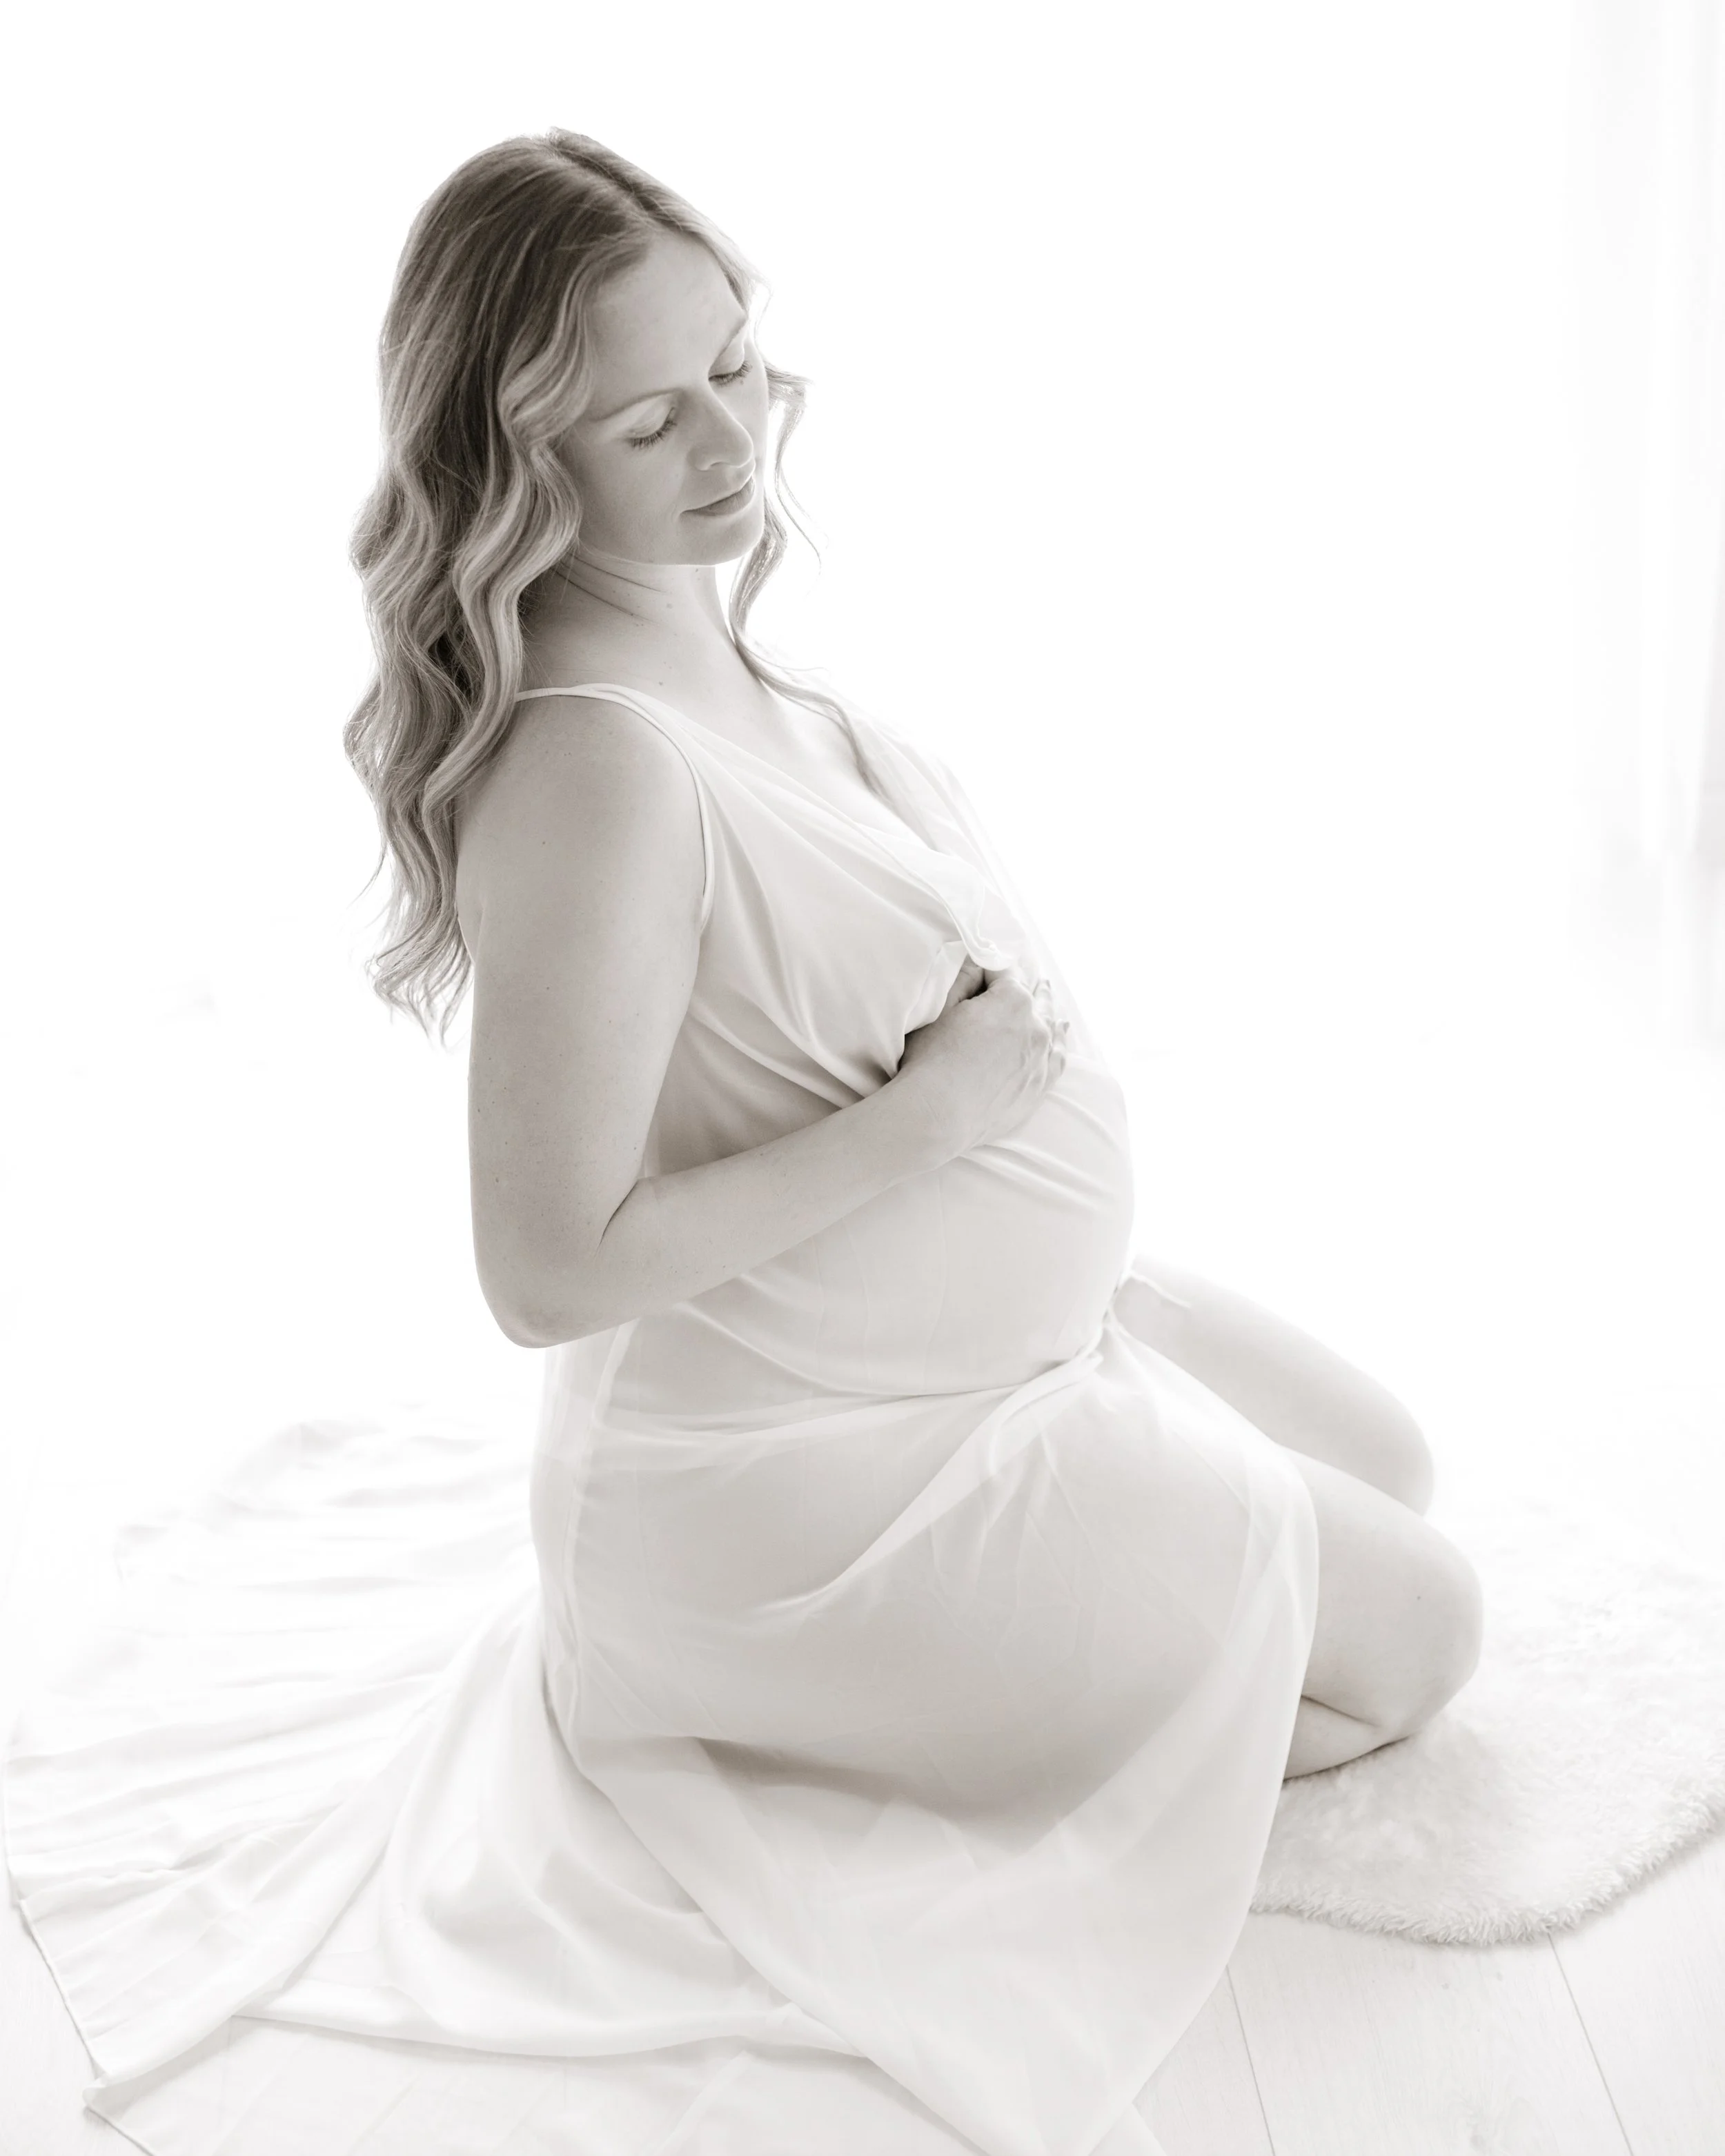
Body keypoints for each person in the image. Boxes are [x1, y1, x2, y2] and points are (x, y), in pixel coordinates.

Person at [5, 130, 1483, 2156]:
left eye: (737, 362)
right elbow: (544, 1270)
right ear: (523, 455)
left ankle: (1052, 1599)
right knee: (1416, 1642)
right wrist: (936, 1127)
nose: (727, 436)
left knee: (1384, 1463)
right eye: (645, 413)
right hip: (810, 1481)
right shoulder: (594, 768)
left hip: (993, 1353)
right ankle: (813, 1737)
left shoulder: (714, 632)